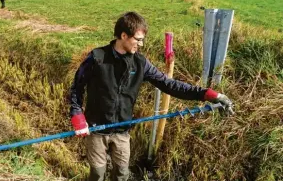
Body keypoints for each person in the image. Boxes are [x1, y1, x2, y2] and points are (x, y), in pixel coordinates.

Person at [68, 11, 233, 181]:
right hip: (96, 129)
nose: (141, 44)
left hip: (122, 129)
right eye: (138, 39)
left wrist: (207, 94)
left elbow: (170, 85)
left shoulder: (141, 63)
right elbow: (77, 87)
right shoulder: (97, 58)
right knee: (97, 175)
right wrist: (77, 114)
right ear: (124, 35)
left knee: (122, 175)